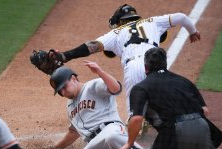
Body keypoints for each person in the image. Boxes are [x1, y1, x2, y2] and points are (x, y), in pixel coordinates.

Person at [49, 4, 201, 115]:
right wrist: (193, 32)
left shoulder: (116, 32)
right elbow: (181, 17)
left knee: (134, 112)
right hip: (156, 65)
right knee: (161, 105)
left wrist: (65, 55)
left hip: (134, 67)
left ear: (119, 22)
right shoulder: (153, 21)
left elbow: (91, 46)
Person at [117, 47, 222, 149]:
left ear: (146, 67)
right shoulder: (184, 81)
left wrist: (129, 143)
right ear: (165, 64)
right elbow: (205, 111)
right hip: (201, 127)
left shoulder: (141, 87)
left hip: (175, 131)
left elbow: (136, 119)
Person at [48, 61, 178, 149]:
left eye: (64, 87)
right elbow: (73, 132)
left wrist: (100, 72)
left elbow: (116, 88)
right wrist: (55, 148)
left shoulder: (93, 85)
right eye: (60, 91)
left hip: (112, 130)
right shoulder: (70, 106)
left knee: (111, 135)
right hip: (95, 145)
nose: (63, 93)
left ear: (73, 78)